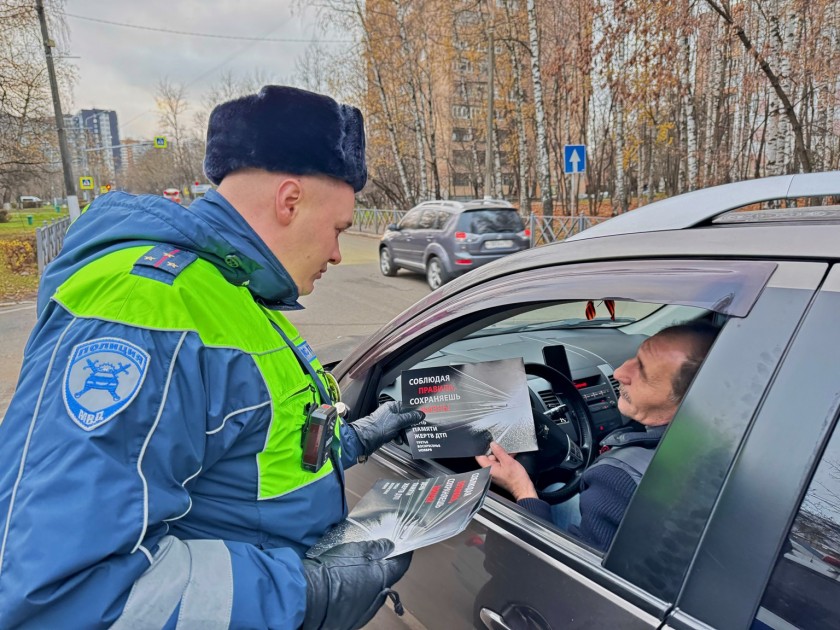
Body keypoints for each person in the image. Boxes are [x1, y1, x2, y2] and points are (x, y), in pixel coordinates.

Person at [0, 86, 425, 629]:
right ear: (289, 200)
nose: (340, 253)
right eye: (339, 228)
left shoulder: (230, 291)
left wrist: (353, 439)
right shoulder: (146, 307)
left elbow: (244, 455)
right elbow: (61, 592)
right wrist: (306, 595)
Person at [477, 322, 718, 552]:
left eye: (642, 371)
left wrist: (521, 489)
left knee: (551, 490)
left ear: (688, 401)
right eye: (636, 357)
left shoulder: (617, 478)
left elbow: (563, 582)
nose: (620, 372)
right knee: (559, 488)